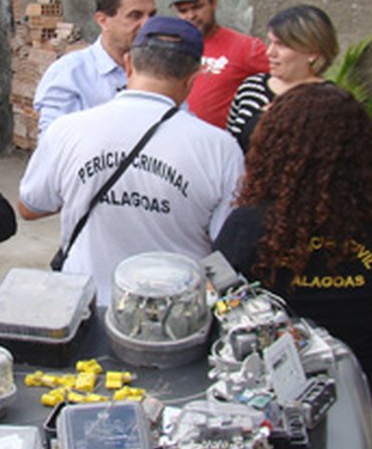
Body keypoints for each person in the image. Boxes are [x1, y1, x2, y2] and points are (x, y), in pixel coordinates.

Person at [213, 84, 372, 449]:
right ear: (365, 152)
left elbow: (221, 313)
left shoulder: (247, 227)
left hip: (266, 412)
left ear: (273, 148)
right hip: (363, 398)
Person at [19, 16, 243, 304]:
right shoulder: (221, 149)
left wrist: (85, 187)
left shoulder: (67, 130)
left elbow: (30, 206)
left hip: (85, 309)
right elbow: (225, 244)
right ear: (193, 79)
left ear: (128, 65)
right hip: (176, 319)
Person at [32, 0, 156, 133]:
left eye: (151, 15)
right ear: (103, 21)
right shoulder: (70, 74)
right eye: (135, 15)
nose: (148, 25)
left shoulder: (160, 71)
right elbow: (54, 144)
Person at [224, 4, 339, 152]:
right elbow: (231, 145)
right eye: (270, 42)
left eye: (281, 45)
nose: (270, 52)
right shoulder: (252, 87)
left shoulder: (331, 102)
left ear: (312, 52)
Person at [171, 0, 269, 128]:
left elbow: (285, 80)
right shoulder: (172, 48)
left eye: (197, 7)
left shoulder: (246, 47)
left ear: (213, 3)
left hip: (224, 145)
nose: (191, 16)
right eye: (183, 11)